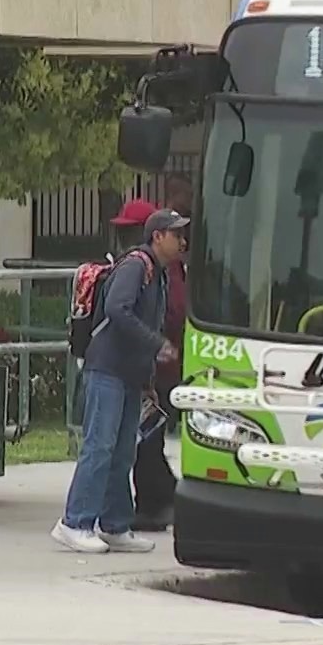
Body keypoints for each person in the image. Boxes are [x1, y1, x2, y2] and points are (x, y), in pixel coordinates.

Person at [53, 209, 189, 555]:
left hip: (130, 374)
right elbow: (117, 309)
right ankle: (75, 521)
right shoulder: (136, 266)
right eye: (176, 234)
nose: (182, 241)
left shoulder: (158, 273)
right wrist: (155, 344)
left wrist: (147, 377)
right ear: (157, 236)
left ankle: (115, 524)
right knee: (100, 445)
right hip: (107, 369)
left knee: (124, 449)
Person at [109, 198, 186, 532]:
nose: (126, 238)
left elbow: (170, 312)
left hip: (161, 366)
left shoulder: (157, 269)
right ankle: (155, 502)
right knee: (144, 439)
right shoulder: (146, 266)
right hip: (151, 363)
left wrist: (157, 344)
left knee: (145, 439)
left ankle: (160, 501)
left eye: (131, 230)